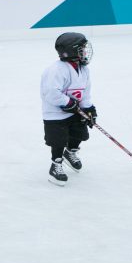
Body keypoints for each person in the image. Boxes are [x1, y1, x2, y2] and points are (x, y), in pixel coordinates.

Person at [40, 32, 96, 186]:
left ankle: (70, 153)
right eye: (82, 49)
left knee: (80, 133)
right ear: (71, 51)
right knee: (58, 140)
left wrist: (89, 108)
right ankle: (56, 164)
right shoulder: (56, 70)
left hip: (74, 111)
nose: (85, 52)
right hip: (55, 114)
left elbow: (85, 93)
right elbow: (50, 92)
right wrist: (67, 102)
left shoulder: (84, 70)